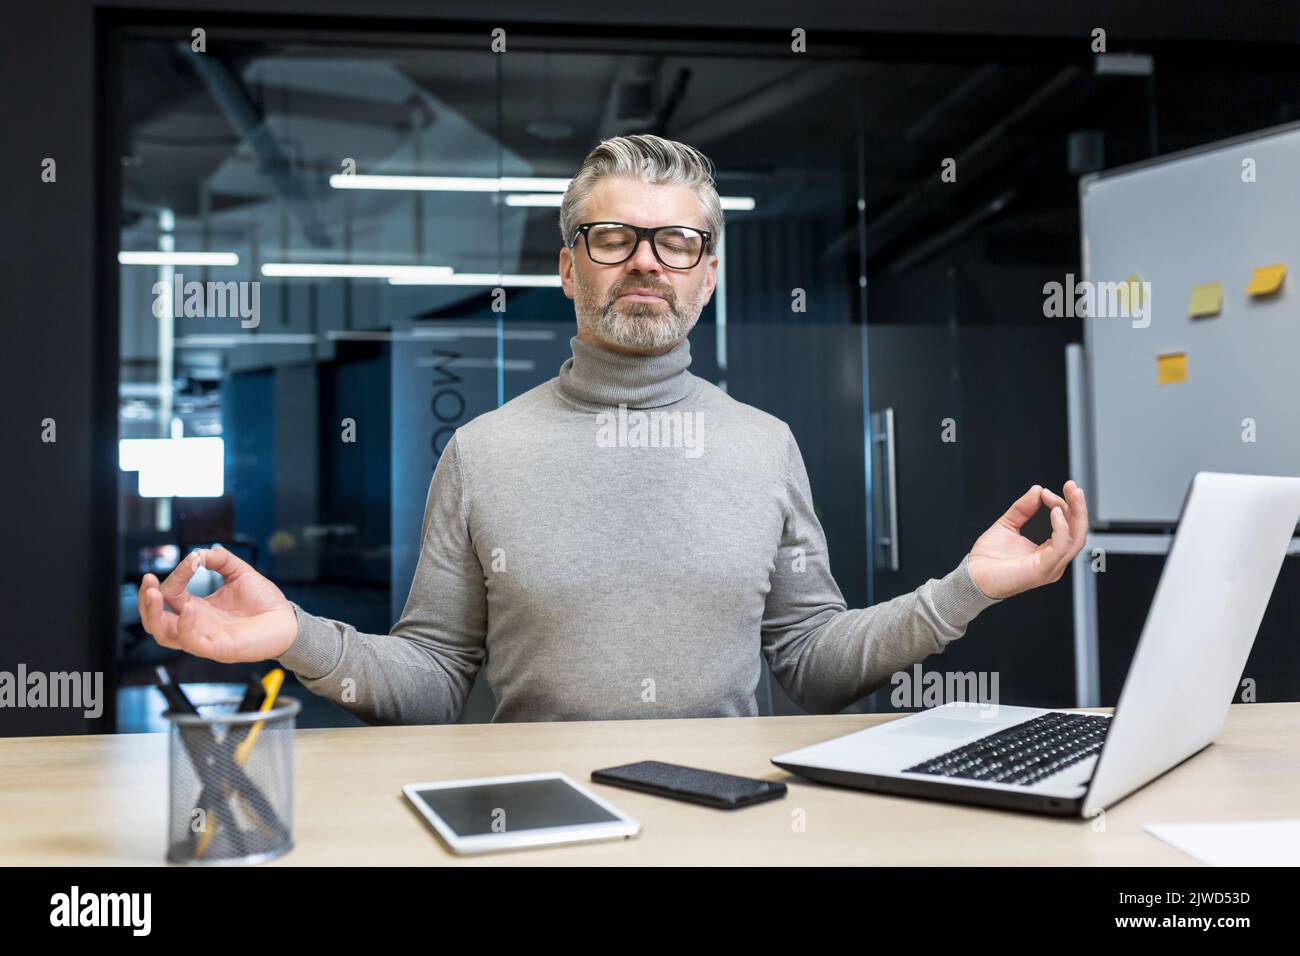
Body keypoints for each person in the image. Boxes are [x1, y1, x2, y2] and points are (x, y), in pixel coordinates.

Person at [138, 133, 1088, 724]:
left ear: (707, 274)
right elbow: (430, 680)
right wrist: (293, 635)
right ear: (568, 268)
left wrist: (964, 591)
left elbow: (811, 663)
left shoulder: (765, 446)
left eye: (678, 241)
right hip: (532, 823)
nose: (647, 262)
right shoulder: (483, 453)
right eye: (612, 237)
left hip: (727, 821)